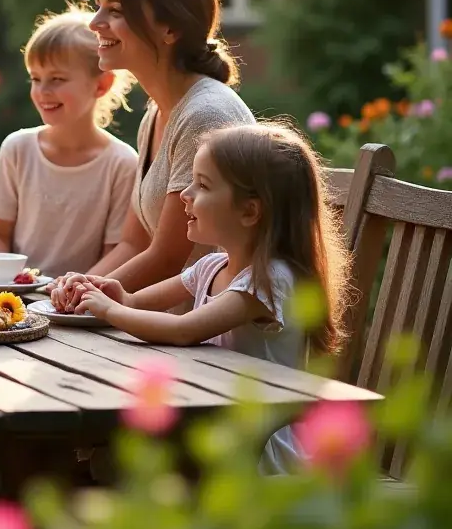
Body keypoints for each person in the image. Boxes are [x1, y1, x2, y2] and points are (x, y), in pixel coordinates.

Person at [0, 5, 137, 501]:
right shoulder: (18, 148)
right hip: (12, 312)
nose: (43, 92)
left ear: (101, 85)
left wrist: (71, 291)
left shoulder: (120, 163)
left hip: (74, 320)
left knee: (40, 436)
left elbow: (117, 251)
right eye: (35, 78)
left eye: (57, 79)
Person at [72, 123, 350, 473]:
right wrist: (118, 297)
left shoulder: (270, 281)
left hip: (257, 449)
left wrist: (111, 310)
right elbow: (135, 304)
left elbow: (184, 329)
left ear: (250, 211)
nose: (185, 194)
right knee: (102, 458)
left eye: (202, 185)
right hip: (212, 426)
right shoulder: (212, 266)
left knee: (109, 462)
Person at [51, 0, 255, 314]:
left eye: (115, 10)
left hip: (209, 344)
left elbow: (166, 258)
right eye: (99, 7)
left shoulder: (204, 117)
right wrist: (76, 286)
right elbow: (134, 243)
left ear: (170, 28)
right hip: (155, 326)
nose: (95, 23)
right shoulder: (159, 112)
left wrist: (83, 301)